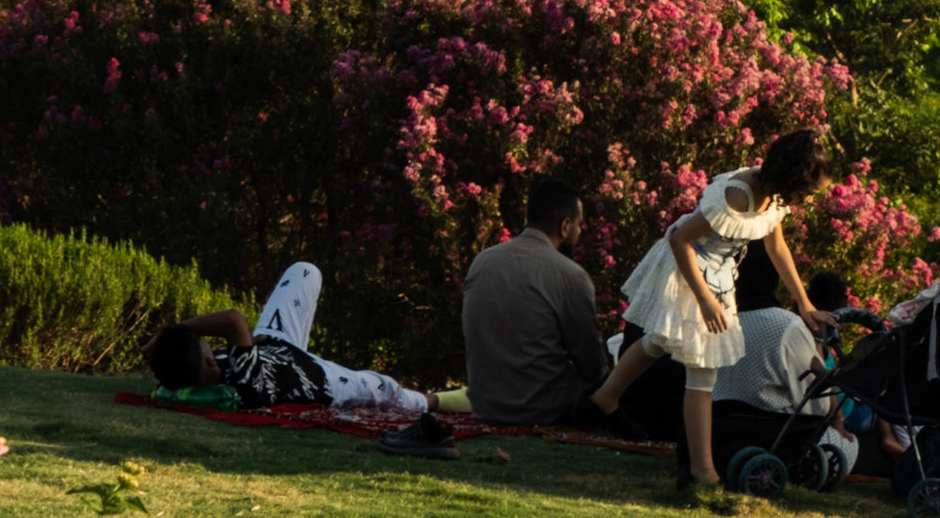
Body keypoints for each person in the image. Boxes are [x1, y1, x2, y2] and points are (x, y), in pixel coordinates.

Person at [588, 127, 835, 488]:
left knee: (660, 340)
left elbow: (776, 247)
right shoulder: (737, 196)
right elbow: (680, 240)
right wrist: (704, 301)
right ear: (791, 178)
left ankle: (603, 398)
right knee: (704, 366)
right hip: (688, 267)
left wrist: (804, 302)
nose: (808, 199)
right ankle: (702, 471)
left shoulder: (774, 198)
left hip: (717, 272)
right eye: (808, 191)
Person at [144, 260, 442, 429]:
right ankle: (434, 400)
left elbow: (156, 355)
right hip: (319, 378)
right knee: (385, 387)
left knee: (304, 271)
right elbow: (234, 319)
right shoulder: (243, 385)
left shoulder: (185, 369)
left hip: (276, 343)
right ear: (209, 362)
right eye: (209, 348)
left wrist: (167, 341)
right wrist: (174, 329)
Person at [460, 175, 610, 425]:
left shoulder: (482, 261)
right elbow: (591, 366)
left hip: (485, 405)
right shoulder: (570, 275)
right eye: (579, 225)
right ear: (565, 225)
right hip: (542, 409)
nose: (580, 231)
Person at [712, 252, 858, 479]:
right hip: (771, 433)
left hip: (717, 430)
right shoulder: (786, 325)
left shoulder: (716, 319)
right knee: (849, 443)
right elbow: (816, 405)